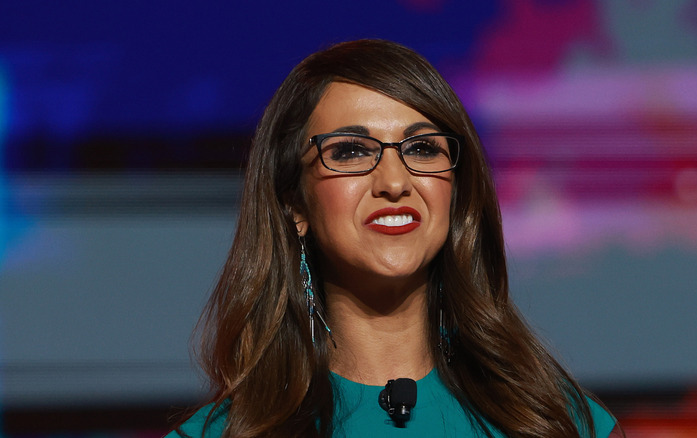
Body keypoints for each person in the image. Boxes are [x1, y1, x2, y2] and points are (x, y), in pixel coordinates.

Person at [169, 39, 619, 437]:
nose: (394, 182)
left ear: (455, 193)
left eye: (422, 148)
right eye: (350, 151)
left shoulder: (560, 423)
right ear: (294, 204)